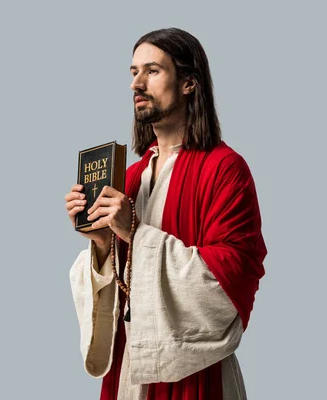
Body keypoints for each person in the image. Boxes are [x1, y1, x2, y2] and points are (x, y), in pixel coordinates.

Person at [64, 28, 267, 400]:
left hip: (195, 374)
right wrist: (102, 245)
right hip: (131, 367)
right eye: (133, 72)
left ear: (189, 83)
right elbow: (121, 290)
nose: (136, 84)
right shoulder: (130, 177)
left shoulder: (226, 169)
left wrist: (135, 232)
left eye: (152, 71)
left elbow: (233, 271)